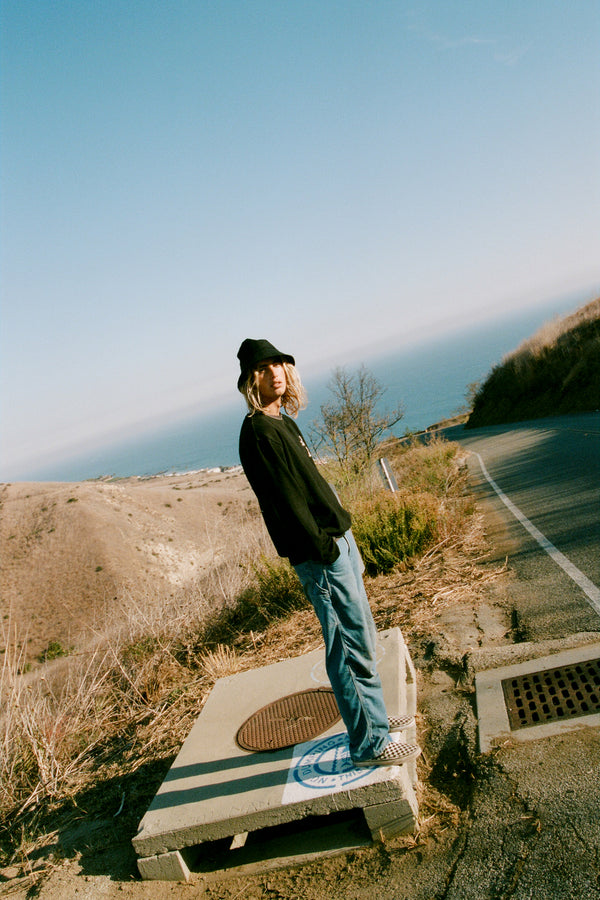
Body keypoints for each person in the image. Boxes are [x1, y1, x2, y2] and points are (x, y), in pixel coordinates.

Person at [237, 338, 420, 768]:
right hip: (321, 552)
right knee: (346, 644)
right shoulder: (259, 432)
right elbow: (285, 502)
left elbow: (309, 486)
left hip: (337, 540)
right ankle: (368, 744)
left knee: (362, 635)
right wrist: (325, 549)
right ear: (250, 380)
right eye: (264, 367)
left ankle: (374, 721)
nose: (276, 372)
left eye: (280, 363)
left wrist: (341, 533)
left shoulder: (281, 421)